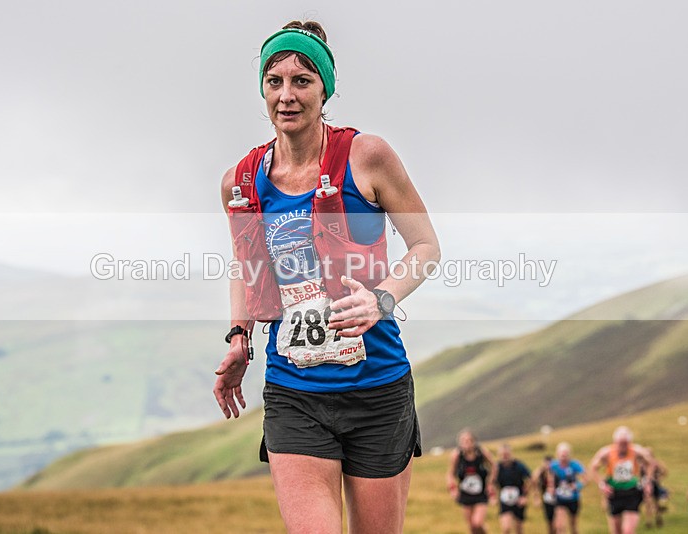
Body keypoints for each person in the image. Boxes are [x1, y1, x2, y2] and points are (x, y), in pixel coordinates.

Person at [213, 20, 440, 534]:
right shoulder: (240, 182)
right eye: (275, 81)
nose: (287, 95)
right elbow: (245, 265)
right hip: (295, 390)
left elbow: (426, 247)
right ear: (263, 91)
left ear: (325, 89)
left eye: (302, 80)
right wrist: (238, 336)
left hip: (377, 386)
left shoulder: (367, 157)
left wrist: (381, 299)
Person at [447, 429, 495, 534]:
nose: (466, 443)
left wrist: (490, 483)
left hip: (481, 493)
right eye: (463, 441)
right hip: (465, 493)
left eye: (469, 440)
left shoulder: (481, 453)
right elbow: (450, 474)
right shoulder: (457, 455)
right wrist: (453, 489)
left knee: (477, 523)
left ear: (474, 441)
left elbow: (494, 466)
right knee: (472, 528)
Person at [490, 443, 532, 534]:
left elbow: (530, 480)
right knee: (506, 528)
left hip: (518, 499)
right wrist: (493, 496)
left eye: (507, 454)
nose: (505, 457)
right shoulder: (497, 467)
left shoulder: (519, 466)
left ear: (511, 454)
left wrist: (524, 496)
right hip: (505, 499)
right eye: (502, 455)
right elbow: (491, 483)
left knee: (519, 529)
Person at [551, 442, 586, 534]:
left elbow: (585, 478)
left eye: (565, 455)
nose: (563, 458)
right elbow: (548, 476)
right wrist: (551, 487)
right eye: (562, 456)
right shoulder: (554, 465)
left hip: (573, 498)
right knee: (560, 526)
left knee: (573, 526)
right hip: (560, 498)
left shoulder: (575, 465)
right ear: (557, 455)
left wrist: (578, 485)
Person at [642, 447, 668, 529]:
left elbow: (664, 471)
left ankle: (658, 517)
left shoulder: (655, 463)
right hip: (645, 485)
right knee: (648, 503)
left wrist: (658, 477)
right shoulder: (641, 464)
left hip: (654, 484)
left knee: (656, 502)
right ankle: (648, 521)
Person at [531, 455, 557, 534]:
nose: (548, 466)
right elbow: (533, 479)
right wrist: (541, 469)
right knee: (549, 523)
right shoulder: (542, 474)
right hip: (547, 500)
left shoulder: (557, 473)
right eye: (546, 464)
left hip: (558, 500)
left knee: (557, 523)